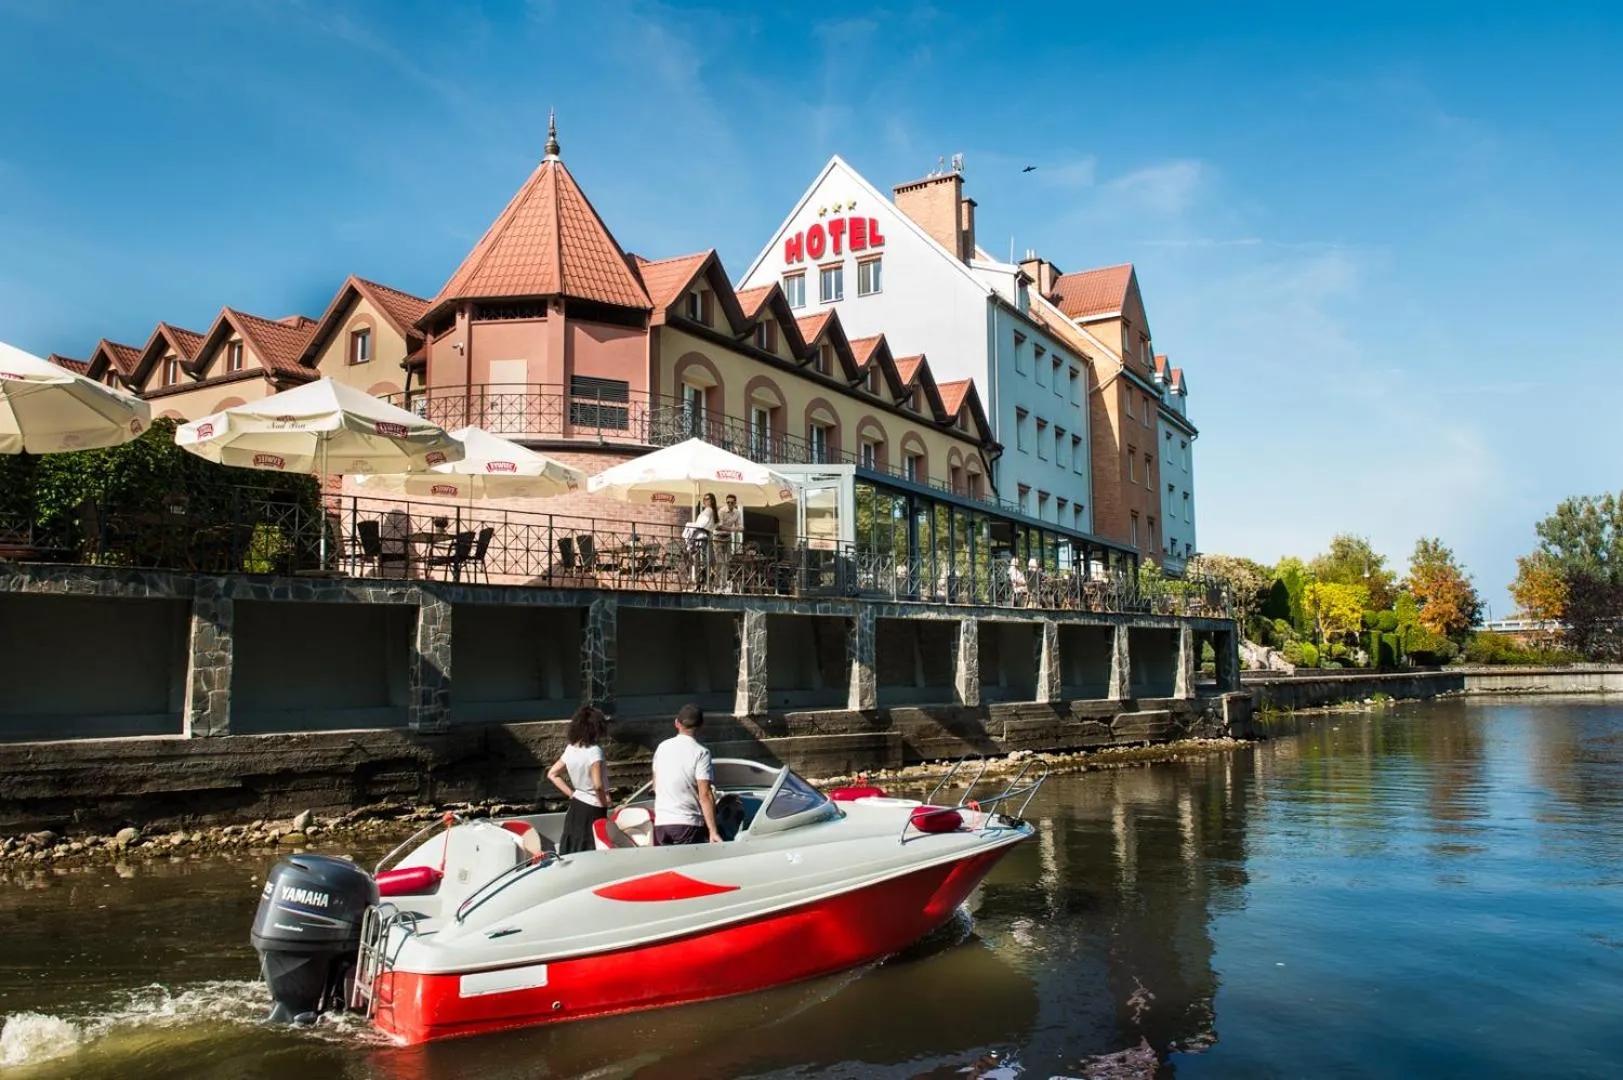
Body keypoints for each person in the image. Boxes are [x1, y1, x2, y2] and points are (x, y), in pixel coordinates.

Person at [651, 704, 721, 845]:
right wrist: (713, 831)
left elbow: (655, 785)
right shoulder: (701, 752)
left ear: (677, 723)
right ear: (700, 726)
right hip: (687, 823)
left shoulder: (662, 747)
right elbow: (705, 795)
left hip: (661, 823)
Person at [546, 705, 611, 855]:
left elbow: (552, 774)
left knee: (572, 848)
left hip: (576, 805)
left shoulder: (570, 749)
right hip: (593, 808)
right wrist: (604, 804)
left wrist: (571, 794)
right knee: (591, 849)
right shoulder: (595, 751)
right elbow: (598, 786)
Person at [682, 493, 718, 588]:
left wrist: (689, 524)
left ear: (712, 500)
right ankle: (704, 582)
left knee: (698, 560)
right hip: (705, 538)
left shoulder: (709, 511)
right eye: (704, 499)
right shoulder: (710, 511)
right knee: (704, 561)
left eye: (707, 499)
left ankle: (699, 582)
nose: (705, 501)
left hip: (701, 538)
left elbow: (702, 524)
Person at [715, 494, 744, 590]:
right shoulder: (721, 511)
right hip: (718, 537)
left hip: (728, 538)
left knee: (727, 562)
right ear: (726, 502)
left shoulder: (737, 512)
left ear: (735, 503)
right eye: (728, 502)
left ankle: (724, 585)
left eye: (732, 502)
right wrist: (733, 529)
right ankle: (716, 585)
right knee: (719, 562)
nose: (730, 504)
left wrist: (734, 529)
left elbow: (741, 527)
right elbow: (719, 526)